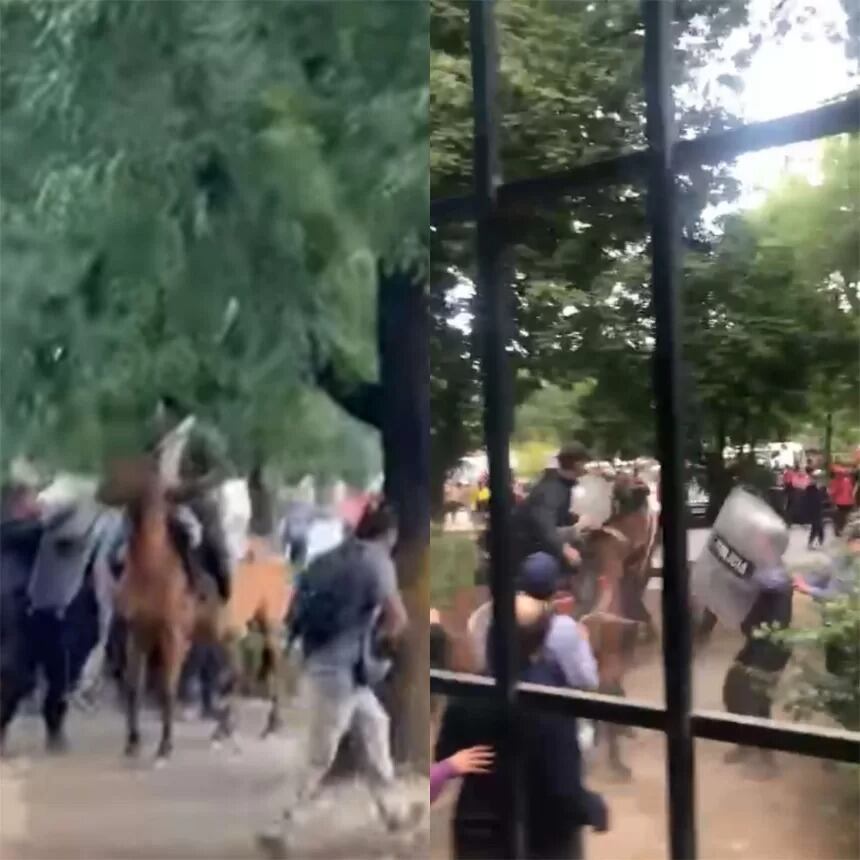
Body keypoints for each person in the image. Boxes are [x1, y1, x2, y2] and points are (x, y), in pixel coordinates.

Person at [257, 500, 413, 858]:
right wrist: (383, 651)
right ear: (388, 534)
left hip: (330, 666)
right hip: (343, 673)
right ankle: (279, 825)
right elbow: (397, 619)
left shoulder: (326, 559)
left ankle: (394, 812)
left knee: (376, 728)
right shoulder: (377, 562)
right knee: (319, 757)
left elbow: (293, 613)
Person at [436, 593, 607, 859]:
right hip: (538, 841)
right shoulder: (550, 695)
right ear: (539, 644)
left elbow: (445, 757)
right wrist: (591, 807)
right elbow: (563, 787)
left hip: (477, 837)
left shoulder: (467, 694)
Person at [0, 500, 108, 753]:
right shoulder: (14, 531)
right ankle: (2, 727)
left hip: (57, 612)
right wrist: (46, 525)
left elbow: (83, 562)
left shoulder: (63, 534)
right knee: (18, 677)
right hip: (22, 611)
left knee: (60, 676)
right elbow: (20, 534)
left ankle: (54, 729)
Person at [150, 395, 234, 601]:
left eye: (161, 413)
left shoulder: (200, 436)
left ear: (173, 414)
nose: (157, 418)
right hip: (161, 502)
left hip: (194, 501)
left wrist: (189, 487)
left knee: (213, 541)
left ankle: (225, 588)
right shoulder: (161, 440)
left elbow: (223, 470)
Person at [721, 536, 793, 778]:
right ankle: (750, 749)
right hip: (760, 641)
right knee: (740, 693)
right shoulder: (765, 570)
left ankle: (764, 760)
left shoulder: (775, 574)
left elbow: (756, 582)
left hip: (771, 645)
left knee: (753, 699)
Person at [512, 441, 591, 583]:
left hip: (533, 545)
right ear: (578, 464)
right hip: (528, 553)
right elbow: (544, 528)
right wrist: (565, 549)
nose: (586, 468)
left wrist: (575, 520)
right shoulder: (552, 489)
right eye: (585, 464)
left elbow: (555, 516)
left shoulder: (558, 484)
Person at [828, 465, 856, 537]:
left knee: (839, 517)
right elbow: (850, 491)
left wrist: (831, 499)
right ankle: (840, 529)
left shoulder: (836, 481)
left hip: (839, 502)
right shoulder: (847, 480)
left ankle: (838, 529)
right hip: (848, 502)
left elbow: (833, 492)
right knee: (844, 516)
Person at [803, 467, 826, 548]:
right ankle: (814, 542)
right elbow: (809, 500)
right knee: (817, 525)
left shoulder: (817, 488)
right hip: (813, 509)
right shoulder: (810, 488)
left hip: (817, 508)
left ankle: (819, 541)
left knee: (818, 526)